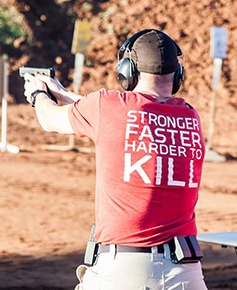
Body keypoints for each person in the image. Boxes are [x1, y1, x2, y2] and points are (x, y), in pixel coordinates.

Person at [23, 29, 208, 290]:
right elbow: (121, 113)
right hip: (187, 275)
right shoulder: (190, 117)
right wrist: (62, 92)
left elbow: (49, 118)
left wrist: (38, 94)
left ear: (127, 71)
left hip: (124, 272)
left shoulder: (106, 107)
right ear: (177, 74)